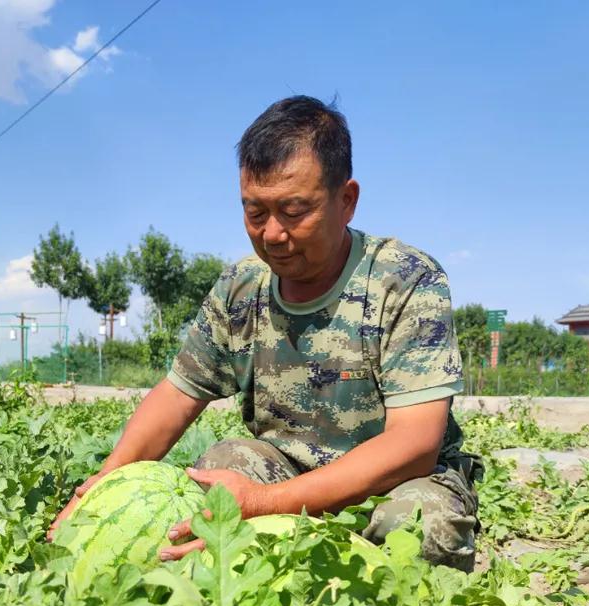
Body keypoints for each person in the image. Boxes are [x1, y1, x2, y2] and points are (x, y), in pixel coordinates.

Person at [51, 96, 482, 571]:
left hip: (392, 482)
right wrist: (105, 483)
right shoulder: (241, 287)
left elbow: (413, 446)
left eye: (294, 211)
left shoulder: (403, 279)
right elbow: (177, 395)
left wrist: (261, 506)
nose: (272, 234)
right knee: (218, 469)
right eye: (255, 213)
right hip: (281, 470)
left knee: (422, 527)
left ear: (347, 201)